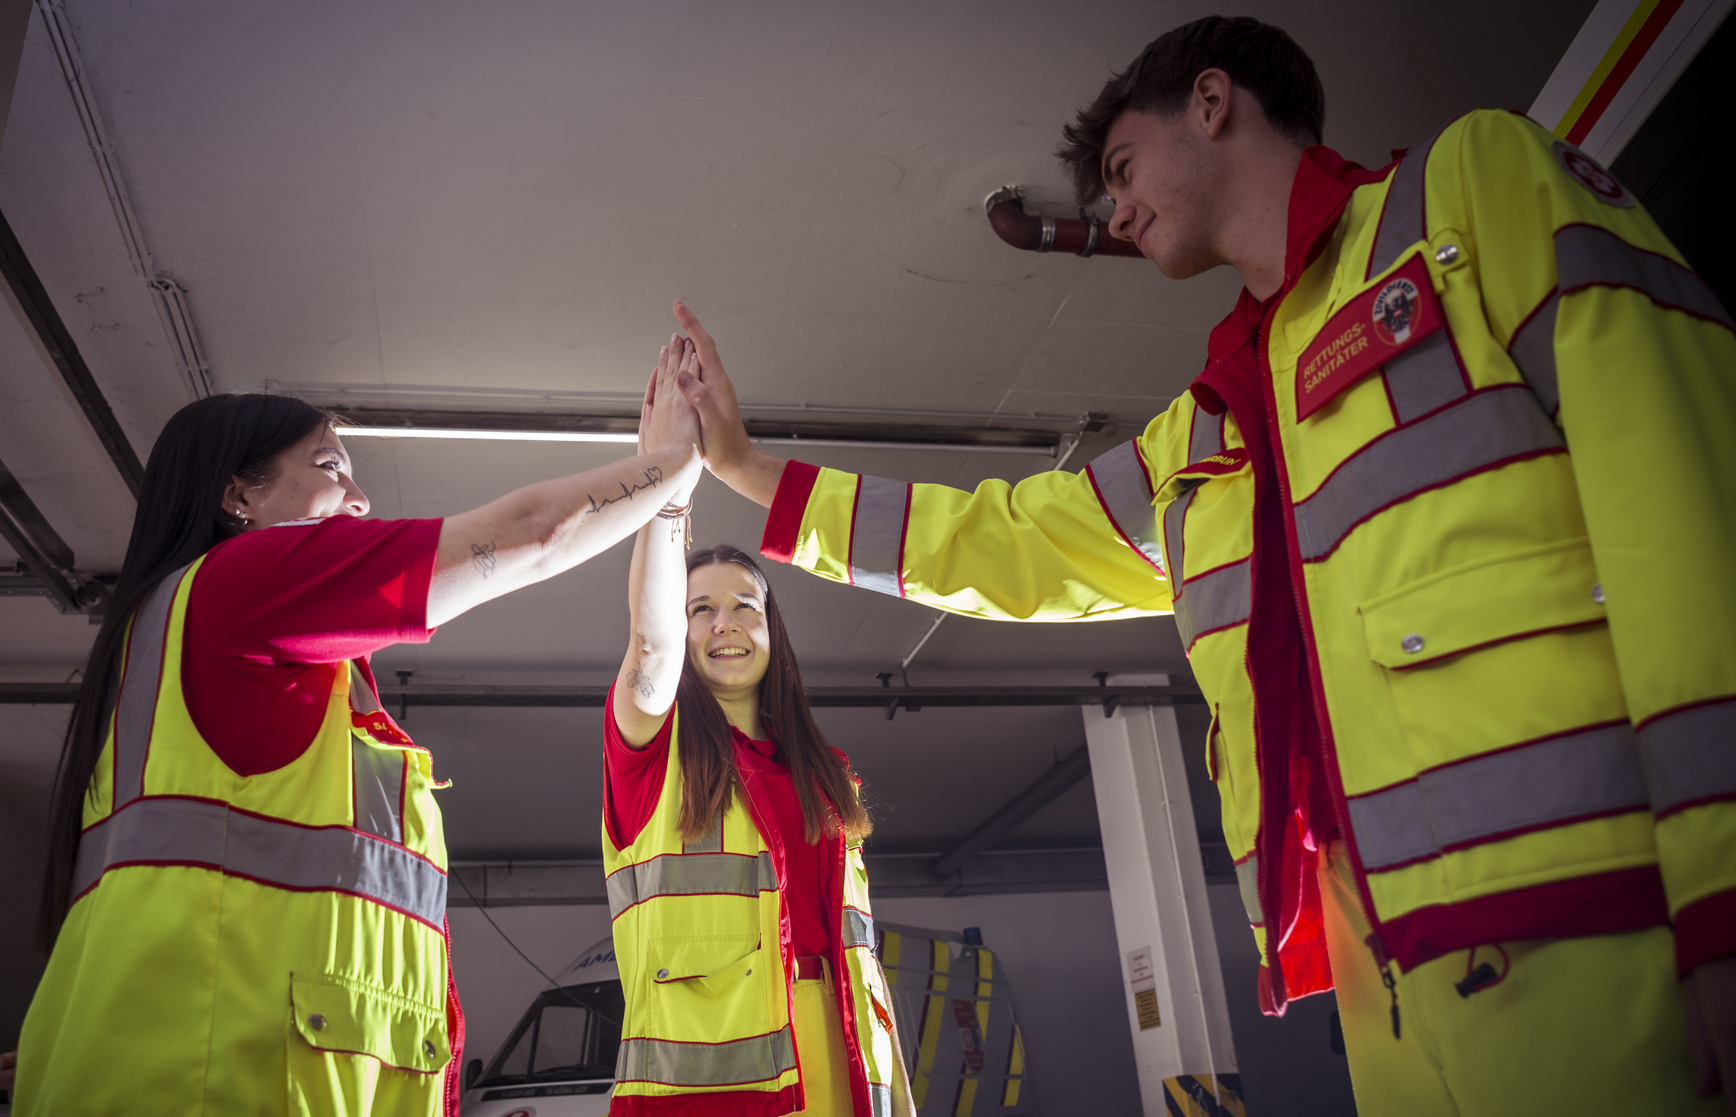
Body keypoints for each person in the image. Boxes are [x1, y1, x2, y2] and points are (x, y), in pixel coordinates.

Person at [668, 15, 1736, 1117]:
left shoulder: (1467, 193)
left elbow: (1685, 494)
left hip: (1604, 920)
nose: (1115, 212)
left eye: (1121, 168)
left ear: (1212, 103)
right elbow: (1006, 539)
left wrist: (1721, 885)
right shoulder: (1207, 430)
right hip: (1386, 993)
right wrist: (748, 471)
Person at [14, 342, 702, 1116]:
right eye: (331, 466)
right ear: (238, 494)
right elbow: (532, 533)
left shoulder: (189, 644)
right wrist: (674, 463)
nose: (361, 498)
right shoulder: (239, 586)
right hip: (209, 1079)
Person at [602, 340, 908, 1117]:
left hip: (841, 1055)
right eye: (700, 607)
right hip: (713, 1087)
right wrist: (667, 482)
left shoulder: (829, 771)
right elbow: (650, 644)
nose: (725, 623)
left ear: (773, 629)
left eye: (745, 605)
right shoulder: (649, 752)